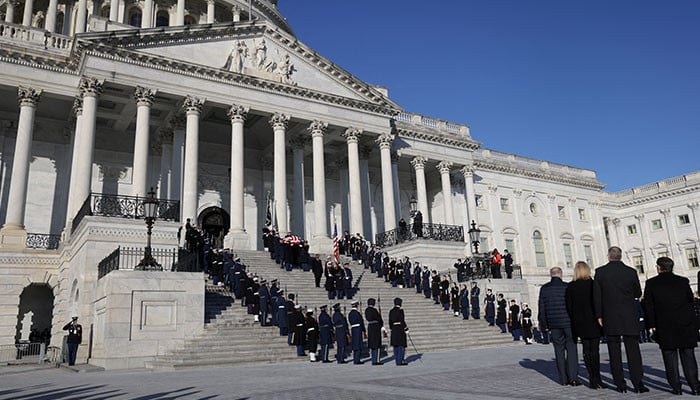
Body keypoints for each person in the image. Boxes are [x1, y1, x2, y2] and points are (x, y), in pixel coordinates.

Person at [593, 246, 647, 393]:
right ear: (620, 256)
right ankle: (638, 383)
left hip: (610, 315)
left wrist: (599, 315)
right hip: (629, 314)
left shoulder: (600, 272)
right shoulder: (631, 272)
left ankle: (620, 384)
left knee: (614, 351)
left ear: (609, 256)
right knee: (633, 350)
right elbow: (637, 292)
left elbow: (597, 296)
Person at [643, 257, 700, 395]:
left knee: (669, 357)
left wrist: (652, 325)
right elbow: (690, 301)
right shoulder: (683, 281)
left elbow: (648, 306)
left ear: (659, 267)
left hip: (665, 325)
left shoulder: (651, 283)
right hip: (684, 323)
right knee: (688, 356)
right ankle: (695, 386)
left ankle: (676, 387)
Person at [565, 261, 606, 389]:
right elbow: (599, 302)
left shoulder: (571, 287)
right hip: (593, 321)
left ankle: (592, 378)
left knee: (586, 351)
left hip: (579, 322)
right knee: (595, 351)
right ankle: (597, 378)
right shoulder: (593, 284)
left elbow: (569, 307)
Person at [538, 266, 580, 386]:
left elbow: (542, 308)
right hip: (568, 323)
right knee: (571, 350)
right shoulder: (567, 287)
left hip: (554, 324)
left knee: (559, 350)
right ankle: (573, 377)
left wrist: (544, 324)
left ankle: (563, 379)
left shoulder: (544, 289)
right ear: (561, 275)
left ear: (551, 275)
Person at [389, 297, 409, 366]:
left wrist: (391, 328)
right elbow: (402, 320)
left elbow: (390, 321)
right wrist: (406, 328)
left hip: (394, 328)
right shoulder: (400, 311)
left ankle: (397, 360)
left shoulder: (391, 311)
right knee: (401, 345)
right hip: (400, 328)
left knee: (395, 345)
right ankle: (400, 361)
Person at [365, 298, 384, 365]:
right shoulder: (374, 310)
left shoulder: (367, 310)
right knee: (376, 344)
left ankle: (373, 359)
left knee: (372, 343)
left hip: (370, 327)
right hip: (376, 327)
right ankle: (376, 360)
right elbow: (378, 318)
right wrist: (381, 323)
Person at [348, 300, 366, 364]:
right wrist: (364, 330)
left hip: (353, 329)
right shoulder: (357, 313)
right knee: (358, 344)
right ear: (356, 305)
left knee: (355, 344)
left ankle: (356, 358)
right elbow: (361, 322)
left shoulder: (350, 313)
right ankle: (357, 359)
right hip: (358, 329)